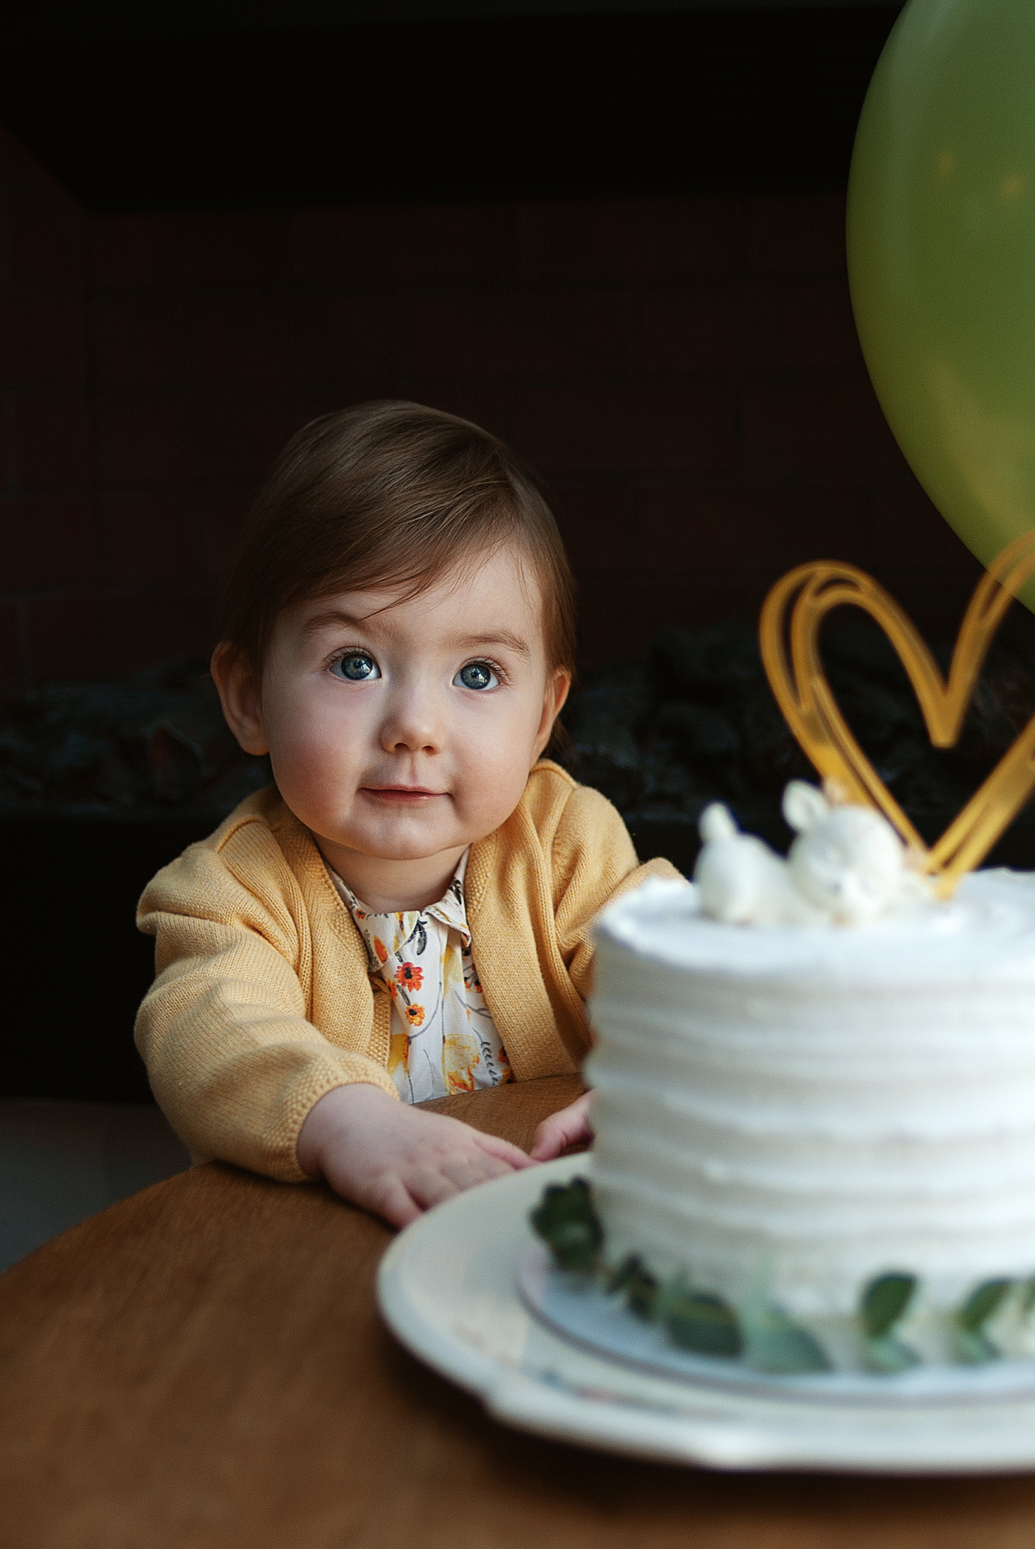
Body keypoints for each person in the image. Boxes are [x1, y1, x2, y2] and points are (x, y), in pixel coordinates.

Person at [135, 401, 674, 1226]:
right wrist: (347, 1125)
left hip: (547, 1220)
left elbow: (673, 961)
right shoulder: (230, 893)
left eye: (477, 674)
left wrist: (667, 1074)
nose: (415, 726)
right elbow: (207, 1028)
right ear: (247, 697)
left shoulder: (565, 843)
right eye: (355, 663)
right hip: (332, 1236)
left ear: (541, 717)